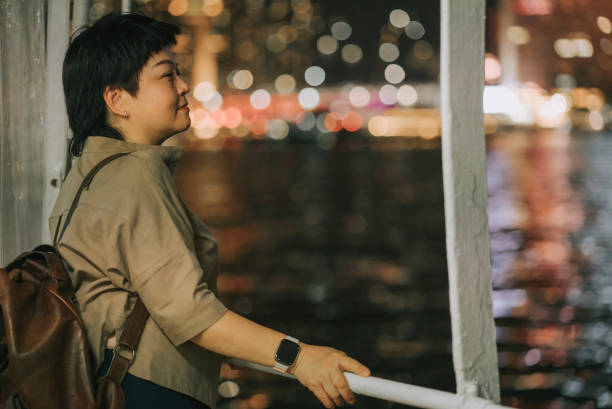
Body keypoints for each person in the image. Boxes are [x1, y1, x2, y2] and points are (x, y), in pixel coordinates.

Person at [49, 12, 370, 409]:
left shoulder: (85, 171)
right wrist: (301, 358)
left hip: (101, 379)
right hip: (146, 390)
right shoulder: (134, 175)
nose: (184, 86)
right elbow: (190, 312)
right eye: (167, 76)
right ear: (117, 99)